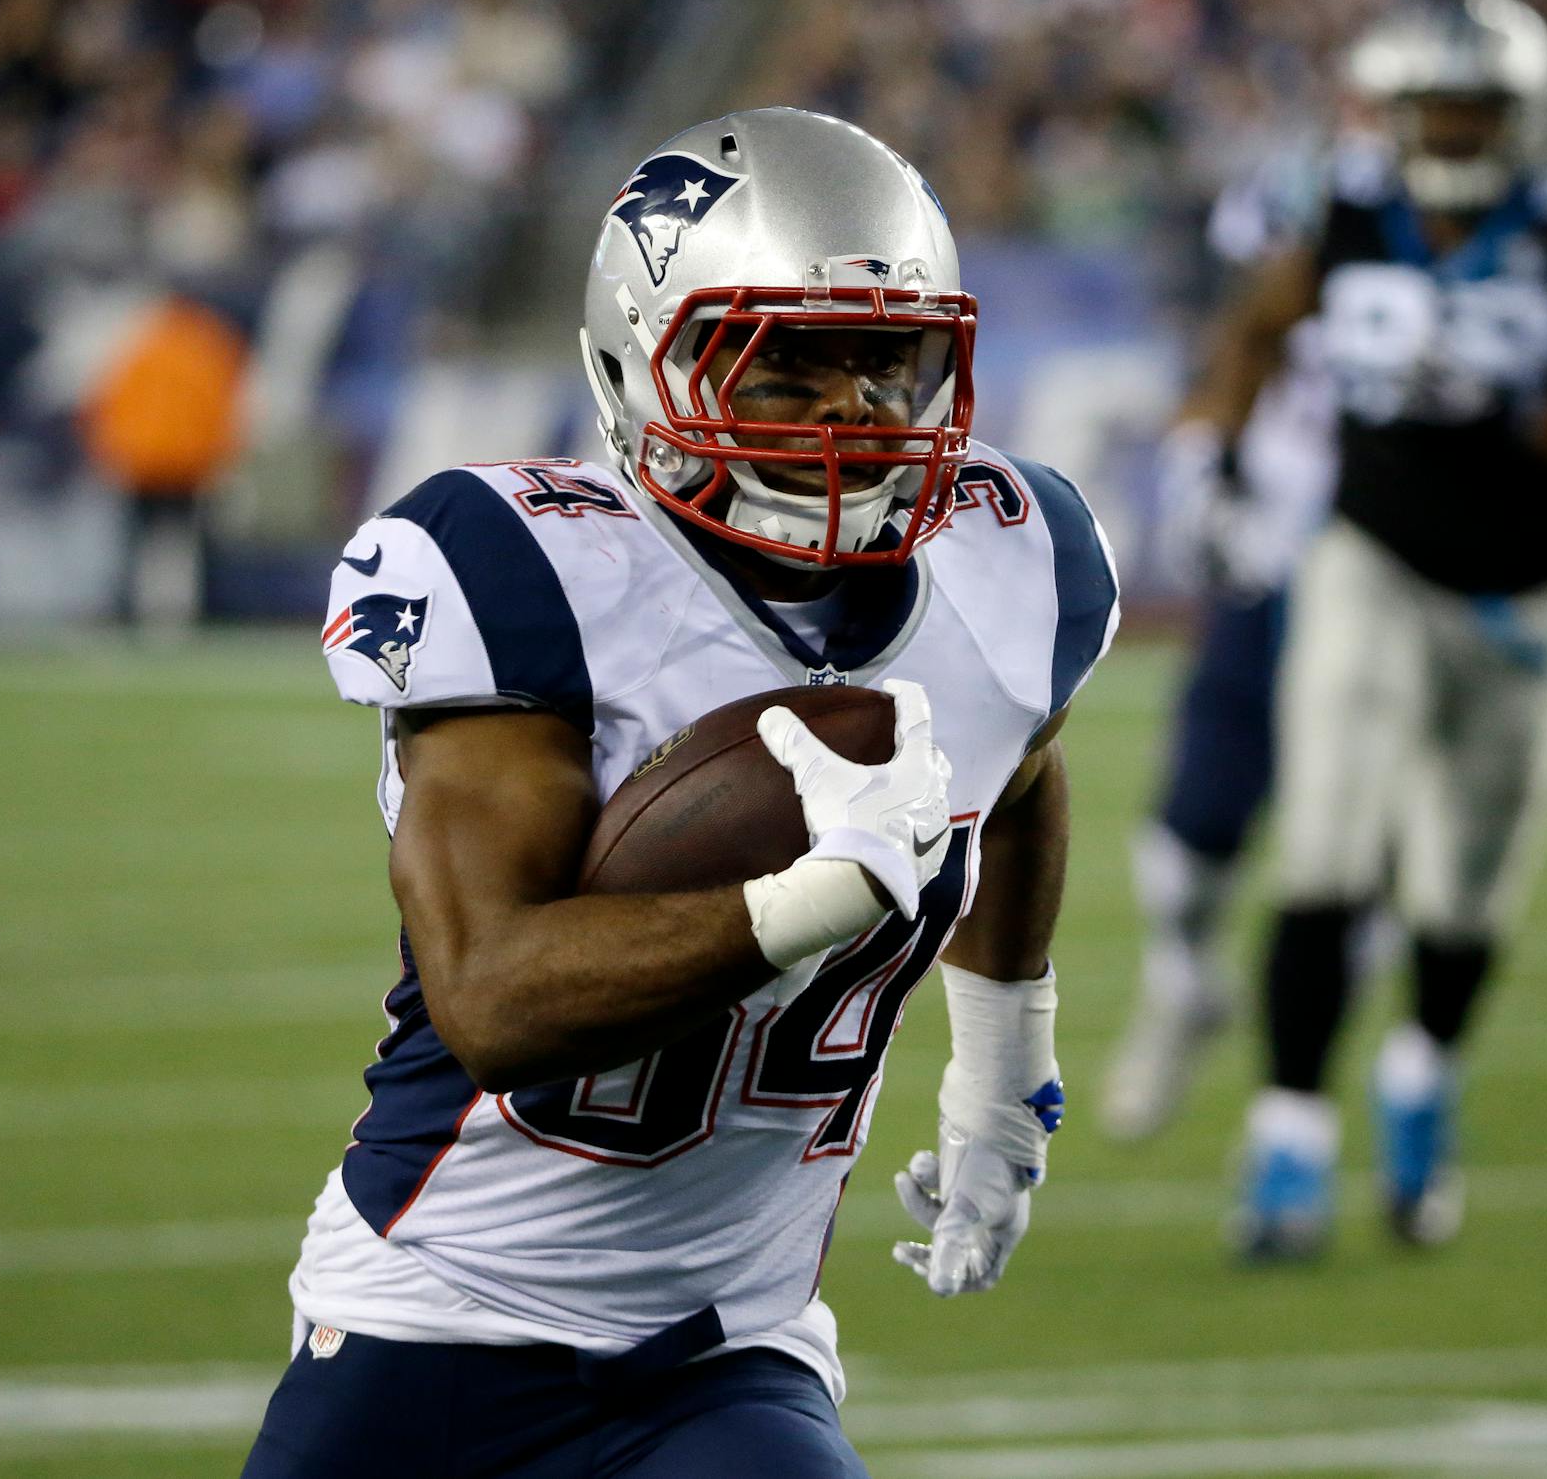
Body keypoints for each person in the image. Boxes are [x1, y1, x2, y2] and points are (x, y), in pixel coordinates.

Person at [242, 107, 1118, 1478]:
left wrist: (1005, 1066)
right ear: (646, 357)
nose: (855, 414)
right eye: (790, 369)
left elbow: (1016, 775)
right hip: (432, 1326)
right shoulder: (524, 566)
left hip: (727, 1350)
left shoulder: (1015, 562)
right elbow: (492, 1000)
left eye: (888, 365)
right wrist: (814, 893)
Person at [1164, 0, 1547, 1257]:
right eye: (1432, 103)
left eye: (1476, 105)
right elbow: (1252, 332)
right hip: (1371, 561)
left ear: (1525, 115)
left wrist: (1510, 414)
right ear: (1390, 112)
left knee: (1463, 896)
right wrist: (1213, 457)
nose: (1450, 125)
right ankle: (1287, 1138)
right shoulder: (1340, 210)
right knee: (1327, 849)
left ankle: (1419, 1080)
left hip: (1528, 595)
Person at [1100, 144, 1339, 1144]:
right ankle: (1183, 985)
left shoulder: (1386, 333)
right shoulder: (1250, 341)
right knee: (1181, 846)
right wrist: (1202, 470)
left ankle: (1300, 1110)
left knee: (1343, 868)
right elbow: (1220, 384)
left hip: (1371, 606)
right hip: (1261, 601)